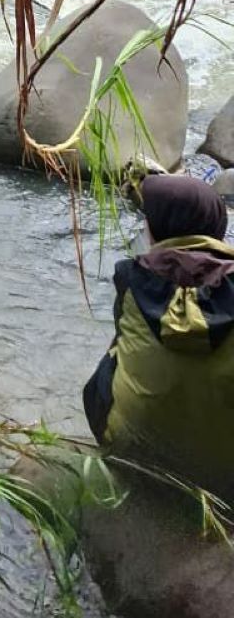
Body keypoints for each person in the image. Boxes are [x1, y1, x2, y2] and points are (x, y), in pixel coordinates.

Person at [84, 173, 234, 499]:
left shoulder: (130, 276)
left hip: (134, 451)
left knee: (115, 355)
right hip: (226, 476)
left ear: (158, 227)